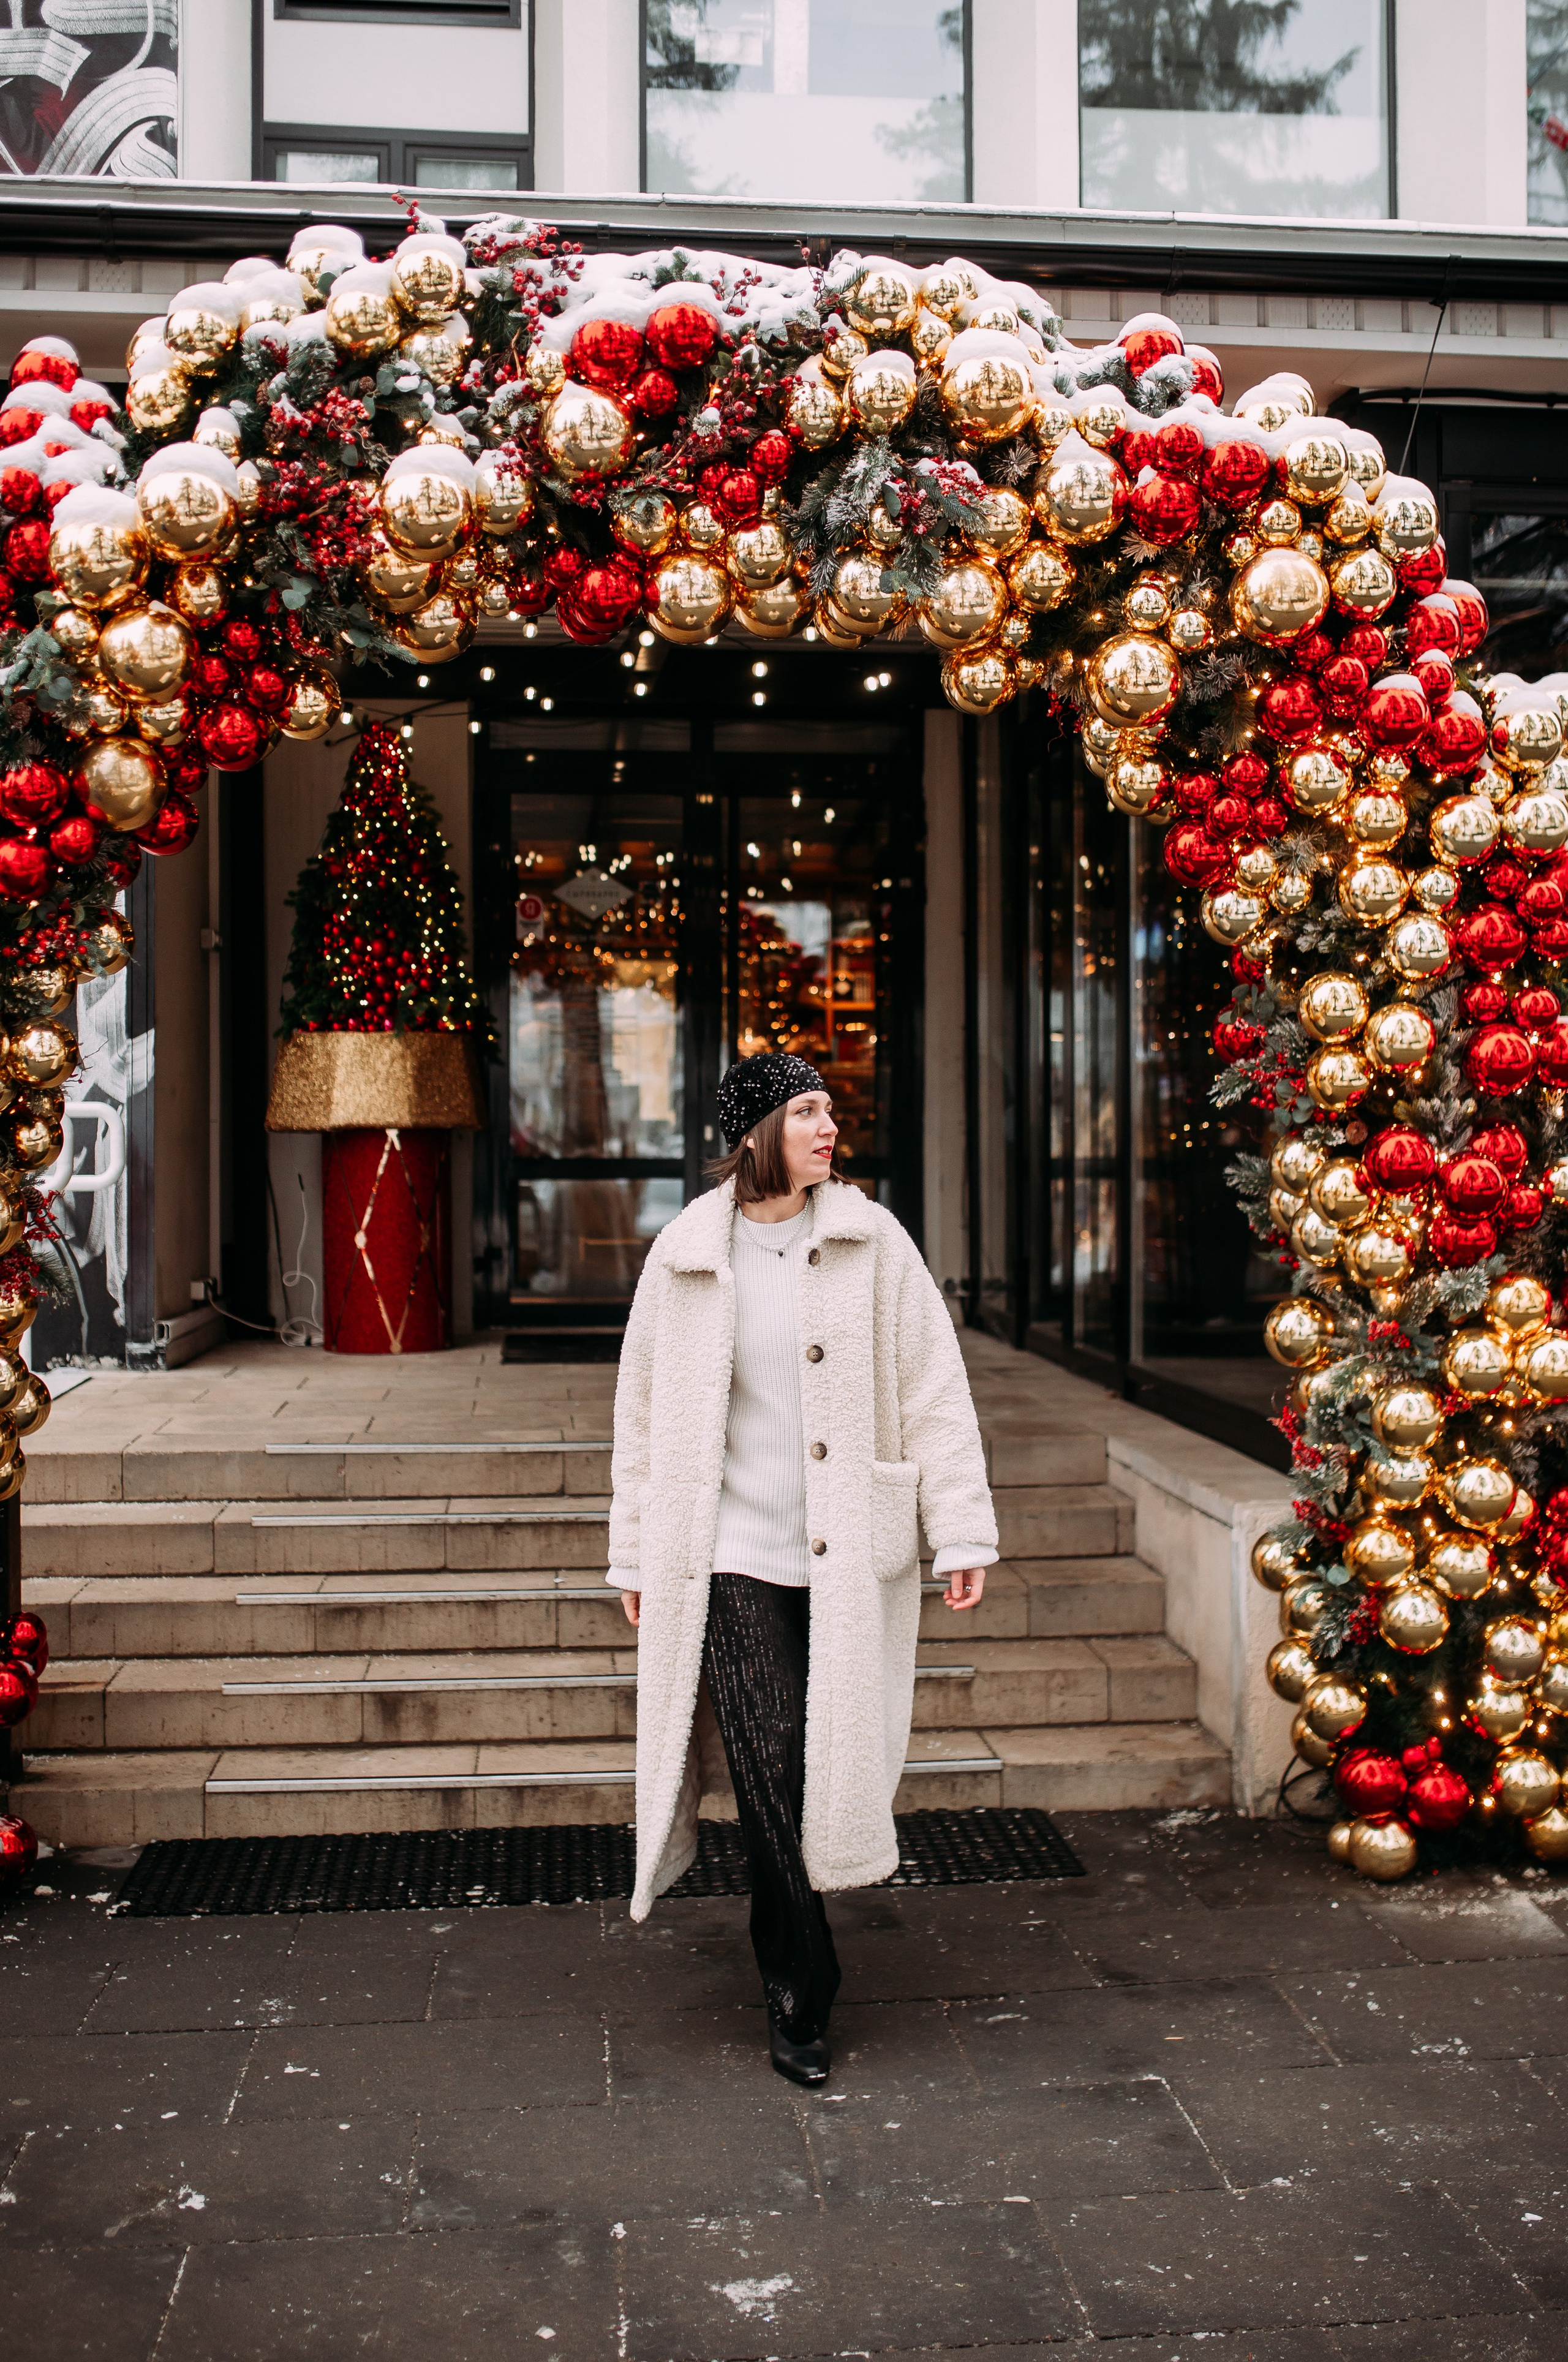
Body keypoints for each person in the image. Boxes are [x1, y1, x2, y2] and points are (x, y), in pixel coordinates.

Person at [608, 1050, 997, 2087]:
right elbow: (641, 1419)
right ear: (756, 1132)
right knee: (768, 1758)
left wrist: (958, 1529)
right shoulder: (686, 1253)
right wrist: (636, 1550)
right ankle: (797, 1975)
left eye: (831, 1110)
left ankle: (799, 1945)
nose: (831, 1127)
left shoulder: (874, 1243)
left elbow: (934, 1391)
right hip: (730, 1551)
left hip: (845, 1552)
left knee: (828, 1758)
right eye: (808, 1111)